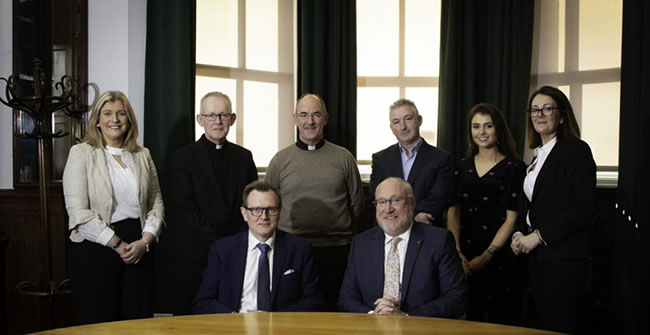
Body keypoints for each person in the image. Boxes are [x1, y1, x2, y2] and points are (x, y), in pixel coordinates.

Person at [62, 91, 164, 325]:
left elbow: (156, 203)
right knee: (99, 322)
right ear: (97, 120)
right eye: (107, 113)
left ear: (129, 119)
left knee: (137, 323)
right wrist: (117, 244)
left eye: (121, 113)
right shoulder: (81, 153)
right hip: (96, 249)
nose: (114, 120)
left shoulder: (143, 154)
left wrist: (144, 242)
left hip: (138, 249)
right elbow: (78, 212)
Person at [265, 93, 364, 311]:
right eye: (304, 115)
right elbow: (269, 205)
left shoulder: (344, 157)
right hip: (291, 249)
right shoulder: (280, 160)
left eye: (316, 115)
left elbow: (357, 204)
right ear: (295, 119)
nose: (310, 121)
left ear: (326, 119)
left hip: (336, 250)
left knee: (335, 310)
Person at [510, 86, 596, 334]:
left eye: (547, 108)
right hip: (538, 259)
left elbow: (584, 208)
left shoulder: (575, 150)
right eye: (535, 109)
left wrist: (538, 236)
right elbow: (528, 206)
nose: (540, 114)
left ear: (561, 114)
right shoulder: (537, 156)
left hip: (564, 258)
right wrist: (518, 235)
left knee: (559, 325)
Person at [171, 91, 258, 315]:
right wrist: (220, 242)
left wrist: (234, 243)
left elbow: (251, 203)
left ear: (233, 119)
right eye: (211, 116)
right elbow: (184, 207)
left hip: (236, 252)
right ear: (200, 120)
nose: (217, 122)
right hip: (196, 254)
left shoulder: (244, 157)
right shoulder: (183, 157)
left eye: (223, 115)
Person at [338, 177, 466, 318]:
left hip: (421, 329)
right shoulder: (361, 243)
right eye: (381, 202)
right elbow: (346, 298)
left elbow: (456, 298)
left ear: (412, 203)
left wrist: (405, 317)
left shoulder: (439, 241)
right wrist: (374, 315)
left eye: (396, 200)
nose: (388, 209)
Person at [447, 103, 526, 324]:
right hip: (464, 254)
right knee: (468, 318)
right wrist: (456, 250)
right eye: (476, 126)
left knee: (501, 318)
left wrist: (488, 255)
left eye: (488, 126)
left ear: (498, 129)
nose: (481, 132)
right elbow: (453, 210)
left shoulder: (515, 167)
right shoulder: (461, 167)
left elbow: (512, 218)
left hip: (500, 253)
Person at [193, 180, 322, 313]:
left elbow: (313, 300)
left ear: (279, 213)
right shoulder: (223, 250)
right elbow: (203, 301)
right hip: (234, 326)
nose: (264, 217)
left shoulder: (299, 248)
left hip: (282, 328)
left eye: (271, 210)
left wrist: (274, 319)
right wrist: (233, 319)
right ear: (244, 213)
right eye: (256, 210)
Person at [369, 99, 452, 227]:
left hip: (426, 229)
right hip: (389, 229)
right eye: (396, 122)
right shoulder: (381, 159)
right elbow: (377, 195)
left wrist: (407, 217)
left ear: (419, 120)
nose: (403, 127)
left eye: (408, 119)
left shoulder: (441, 158)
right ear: (391, 128)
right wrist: (412, 216)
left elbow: (439, 196)